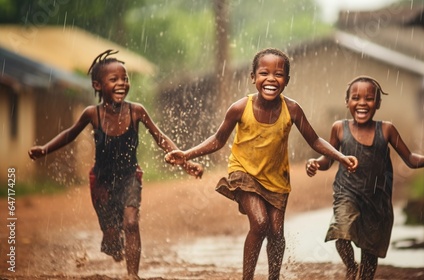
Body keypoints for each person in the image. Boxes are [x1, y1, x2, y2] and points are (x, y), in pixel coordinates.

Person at [165, 48, 358, 280]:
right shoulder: (239, 108)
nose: (271, 79)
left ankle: (273, 277)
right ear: (253, 77)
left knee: (276, 232)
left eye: (278, 74)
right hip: (243, 172)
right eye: (264, 73)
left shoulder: (292, 109)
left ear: (286, 80)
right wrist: (186, 154)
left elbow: (315, 140)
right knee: (260, 223)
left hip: (277, 179)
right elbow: (218, 140)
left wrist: (341, 157)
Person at [28, 49, 203, 280]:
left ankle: (133, 275)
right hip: (101, 182)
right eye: (114, 79)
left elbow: (161, 138)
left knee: (131, 222)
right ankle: (114, 245)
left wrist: (184, 161)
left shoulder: (136, 111)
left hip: (130, 177)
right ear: (98, 85)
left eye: (125, 78)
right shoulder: (92, 114)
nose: (122, 83)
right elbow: (69, 134)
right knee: (111, 236)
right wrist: (45, 149)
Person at [305, 76, 424, 280]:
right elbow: (328, 160)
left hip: (377, 200)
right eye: (356, 97)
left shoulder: (387, 129)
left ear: (378, 103)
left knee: (370, 252)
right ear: (347, 102)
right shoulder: (339, 128)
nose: (362, 103)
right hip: (347, 193)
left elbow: (409, 159)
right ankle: (351, 267)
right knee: (340, 232)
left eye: (369, 98)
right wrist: (315, 164)